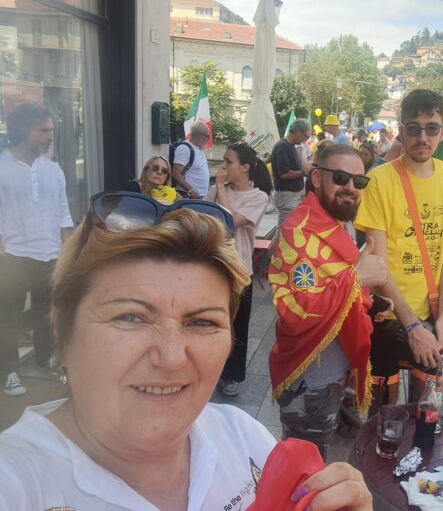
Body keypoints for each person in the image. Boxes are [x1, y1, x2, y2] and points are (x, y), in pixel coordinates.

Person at [0, 197, 372, 510]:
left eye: (202, 322)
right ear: (63, 332)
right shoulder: (16, 482)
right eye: (131, 317)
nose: (172, 357)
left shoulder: (244, 437)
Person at [269, 144, 389, 459]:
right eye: (340, 177)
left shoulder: (338, 220)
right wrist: (357, 277)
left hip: (333, 370)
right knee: (304, 468)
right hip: (311, 378)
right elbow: (298, 312)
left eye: (359, 181)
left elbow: (333, 283)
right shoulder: (299, 232)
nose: (350, 187)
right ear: (317, 178)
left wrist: (370, 301)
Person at [354, 89, 443, 412]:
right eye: (414, 128)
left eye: (431, 128)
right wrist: (412, 326)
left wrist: (442, 317)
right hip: (386, 312)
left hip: (429, 309)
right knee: (383, 412)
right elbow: (377, 260)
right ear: (401, 131)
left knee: (425, 407)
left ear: (442, 132)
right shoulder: (379, 180)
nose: (422, 137)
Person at [0, 103, 73, 396]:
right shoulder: (2, 168)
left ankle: (45, 360)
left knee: (46, 313)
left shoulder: (54, 170)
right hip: (12, 256)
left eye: (51, 131)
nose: (50, 137)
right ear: (22, 131)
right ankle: (9, 371)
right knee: (8, 317)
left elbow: (63, 215)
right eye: (43, 131)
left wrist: (68, 254)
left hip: (50, 254)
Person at [206, 142, 273, 397]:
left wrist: (220, 188)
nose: (223, 166)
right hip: (213, 265)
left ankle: (231, 375)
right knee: (211, 321)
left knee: (236, 324)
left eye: (229, 162)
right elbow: (204, 219)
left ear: (245, 167)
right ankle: (210, 370)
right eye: (223, 161)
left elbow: (231, 221)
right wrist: (218, 189)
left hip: (239, 269)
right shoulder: (216, 189)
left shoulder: (258, 197)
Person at [271, 119, 312, 229]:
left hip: (290, 195)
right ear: (298, 132)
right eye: (306, 136)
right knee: (285, 229)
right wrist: (304, 172)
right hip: (286, 195)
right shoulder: (283, 146)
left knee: (285, 228)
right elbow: (284, 174)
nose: (306, 140)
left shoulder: (290, 145)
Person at [171, 122, 211, 199]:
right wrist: (191, 190)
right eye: (208, 136)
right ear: (199, 135)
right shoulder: (184, 148)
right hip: (189, 197)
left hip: (200, 196)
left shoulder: (198, 148)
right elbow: (176, 173)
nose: (208, 140)